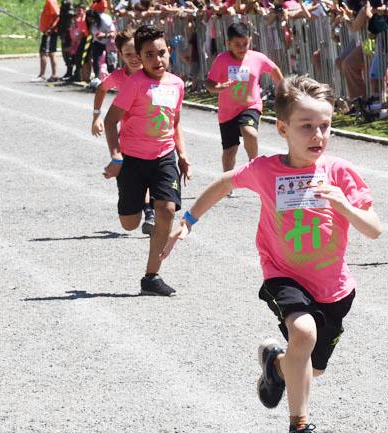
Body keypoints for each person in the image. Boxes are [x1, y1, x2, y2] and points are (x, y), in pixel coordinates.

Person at [163, 75, 382, 433]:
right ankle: (300, 432)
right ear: (282, 128)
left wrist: (343, 206)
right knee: (304, 333)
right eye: (307, 126)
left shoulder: (339, 173)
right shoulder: (266, 170)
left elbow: (374, 228)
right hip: (284, 274)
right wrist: (189, 219)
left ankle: (276, 366)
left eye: (325, 127)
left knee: (309, 366)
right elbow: (225, 183)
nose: (318, 135)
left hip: (333, 287)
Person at [102, 24, 190, 296]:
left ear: (169, 52)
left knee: (167, 210)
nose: (157, 60)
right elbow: (111, 120)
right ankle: (141, 204)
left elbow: (174, 122)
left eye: (161, 53)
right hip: (133, 159)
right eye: (149, 55)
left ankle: (152, 276)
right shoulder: (134, 84)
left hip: (164, 156)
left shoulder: (176, 84)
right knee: (129, 222)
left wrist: (182, 153)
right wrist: (116, 156)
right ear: (139, 57)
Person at [206, 21, 283, 172]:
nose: (242, 48)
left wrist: (283, 90)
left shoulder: (257, 58)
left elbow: (274, 69)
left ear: (250, 40)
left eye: (245, 43)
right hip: (227, 112)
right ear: (228, 43)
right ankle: (227, 181)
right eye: (237, 44)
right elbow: (209, 83)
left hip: (250, 106)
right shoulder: (222, 60)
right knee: (230, 151)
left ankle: (254, 166)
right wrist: (218, 88)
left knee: (250, 132)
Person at [91, 29, 142, 136]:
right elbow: (101, 89)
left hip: (156, 137)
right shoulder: (117, 76)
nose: (134, 58)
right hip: (128, 135)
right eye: (128, 54)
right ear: (120, 54)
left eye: (137, 53)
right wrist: (96, 117)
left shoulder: (154, 74)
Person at [37, 0, 60, 81]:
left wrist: (51, 28)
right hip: (47, 31)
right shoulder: (49, 1)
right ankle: (52, 75)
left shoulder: (51, 1)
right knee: (49, 52)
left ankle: (43, 75)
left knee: (45, 52)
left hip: (50, 32)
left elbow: (58, 16)